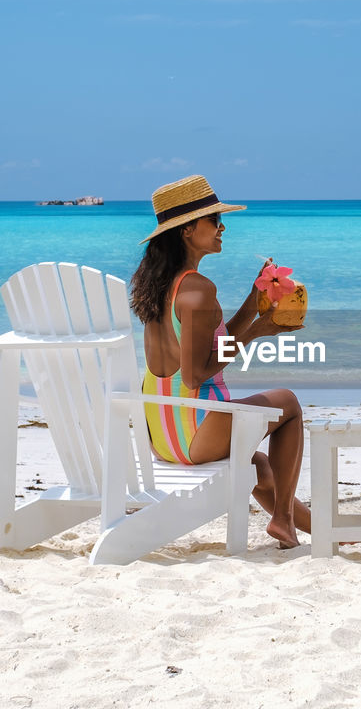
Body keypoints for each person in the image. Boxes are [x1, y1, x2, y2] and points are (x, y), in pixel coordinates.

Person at [130, 175, 309, 549]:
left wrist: (252, 302)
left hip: (163, 437)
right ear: (188, 229)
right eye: (214, 219)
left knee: (258, 464)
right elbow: (196, 375)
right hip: (196, 430)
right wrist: (257, 332)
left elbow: (206, 348)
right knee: (288, 404)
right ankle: (283, 517)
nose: (222, 227)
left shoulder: (161, 284)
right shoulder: (199, 289)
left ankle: (315, 530)